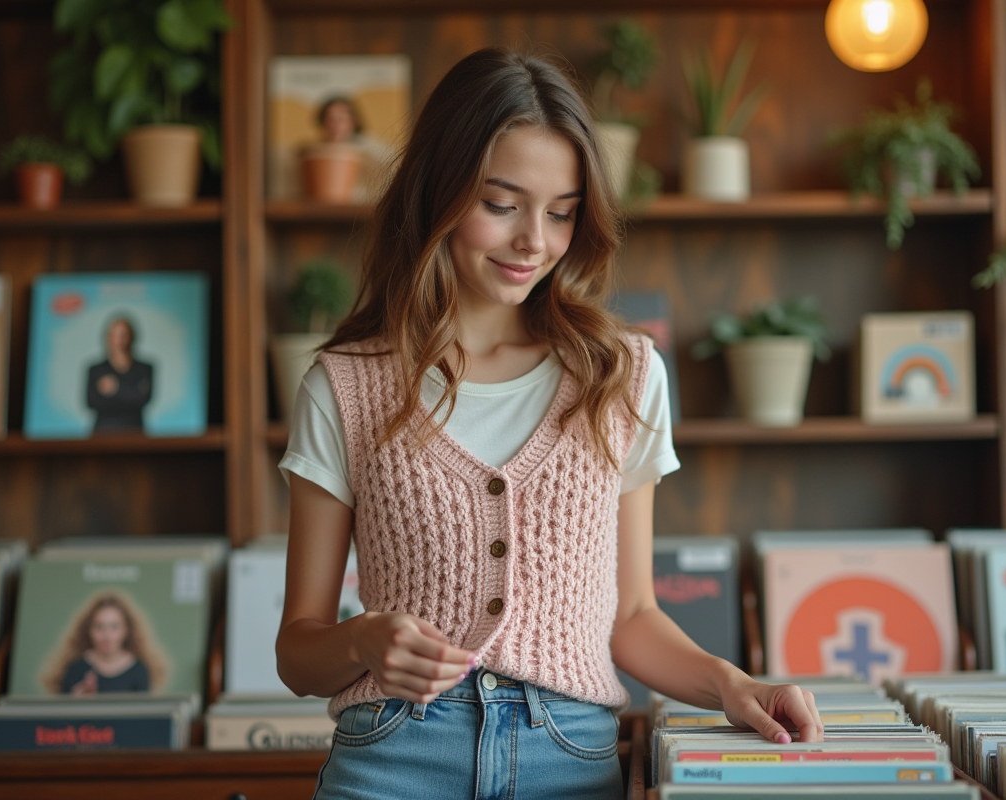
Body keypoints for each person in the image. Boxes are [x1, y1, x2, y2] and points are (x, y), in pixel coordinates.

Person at [275, 48, 823, 800]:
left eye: (561, 212)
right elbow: (297, 651)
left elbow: (631, 614)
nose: (535, 240)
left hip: (566, 759)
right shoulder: (345, 386)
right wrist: (362, 639)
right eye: (501, 205)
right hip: (394, 756)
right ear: (438, 191)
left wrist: (735, 686)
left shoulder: (622, 377)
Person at [41, 593, 167, 695]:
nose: (107, 635)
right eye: (99, 627)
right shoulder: (75, 668)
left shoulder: (139, 670)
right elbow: (61, 719)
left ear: (127, 630)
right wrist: (75, 702)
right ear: (88, 630)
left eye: (114, 627)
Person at [85, 316, 153, 433]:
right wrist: (131, 391)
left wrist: (116, 388)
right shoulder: (96, 370)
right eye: (115, 335)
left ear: (132, 337)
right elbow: (91, 402)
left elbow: (143, 399)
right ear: (108, 338)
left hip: (135, 433)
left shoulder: (144, 369)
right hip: (103, 433)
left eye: (124, 335)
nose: (120, 340)